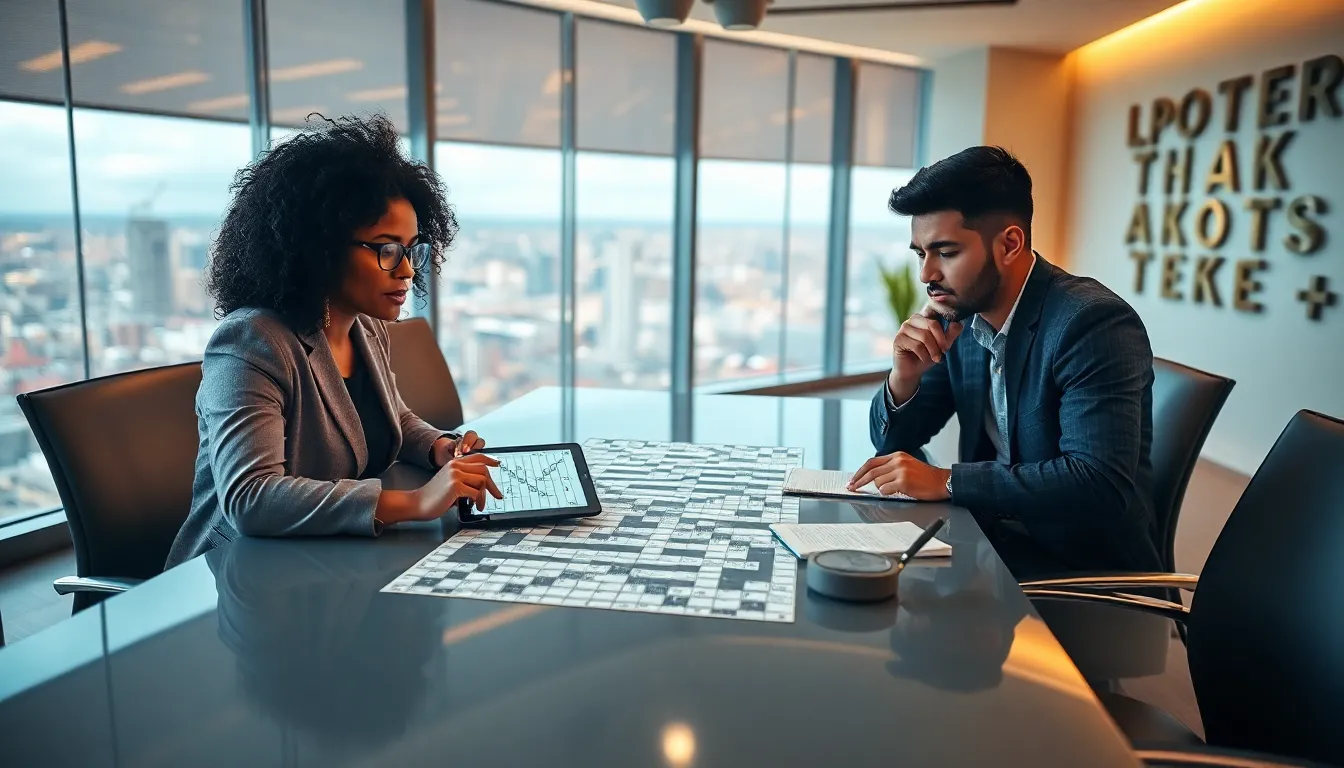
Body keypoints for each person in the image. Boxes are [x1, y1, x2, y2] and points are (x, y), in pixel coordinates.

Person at [165, 114, 503, 569]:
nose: (406, 270)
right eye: (386, 249)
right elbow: (251, 498)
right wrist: (417, 502)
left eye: (411, 248)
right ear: (319, 248)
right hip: (239, 578)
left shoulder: (365, 326)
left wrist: (438, 446)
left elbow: (389, 417)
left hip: (330, 562)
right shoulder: (252, 343)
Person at [849, 146, 1162, 578]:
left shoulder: (1092, 323)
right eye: (921, 253)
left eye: (946, 251)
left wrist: (947, 481)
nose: (927, 275)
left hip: (1080, 572)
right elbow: (895, 441)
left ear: (1010, 244)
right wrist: (904, 376)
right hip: (989, 546)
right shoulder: (961, 316)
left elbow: (1096, 483)